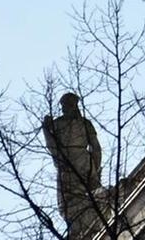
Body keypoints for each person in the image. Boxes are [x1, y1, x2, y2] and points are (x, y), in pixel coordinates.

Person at [42, 92, 102, 232]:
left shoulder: (68, 124)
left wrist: (94, 168)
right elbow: (96, 148)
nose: (66, 109)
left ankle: (85, 226)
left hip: (73, 163)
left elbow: (52, 146)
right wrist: (94, 167)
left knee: (74, 200)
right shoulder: (61, 124)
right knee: (75, 200)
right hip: (73, 163)